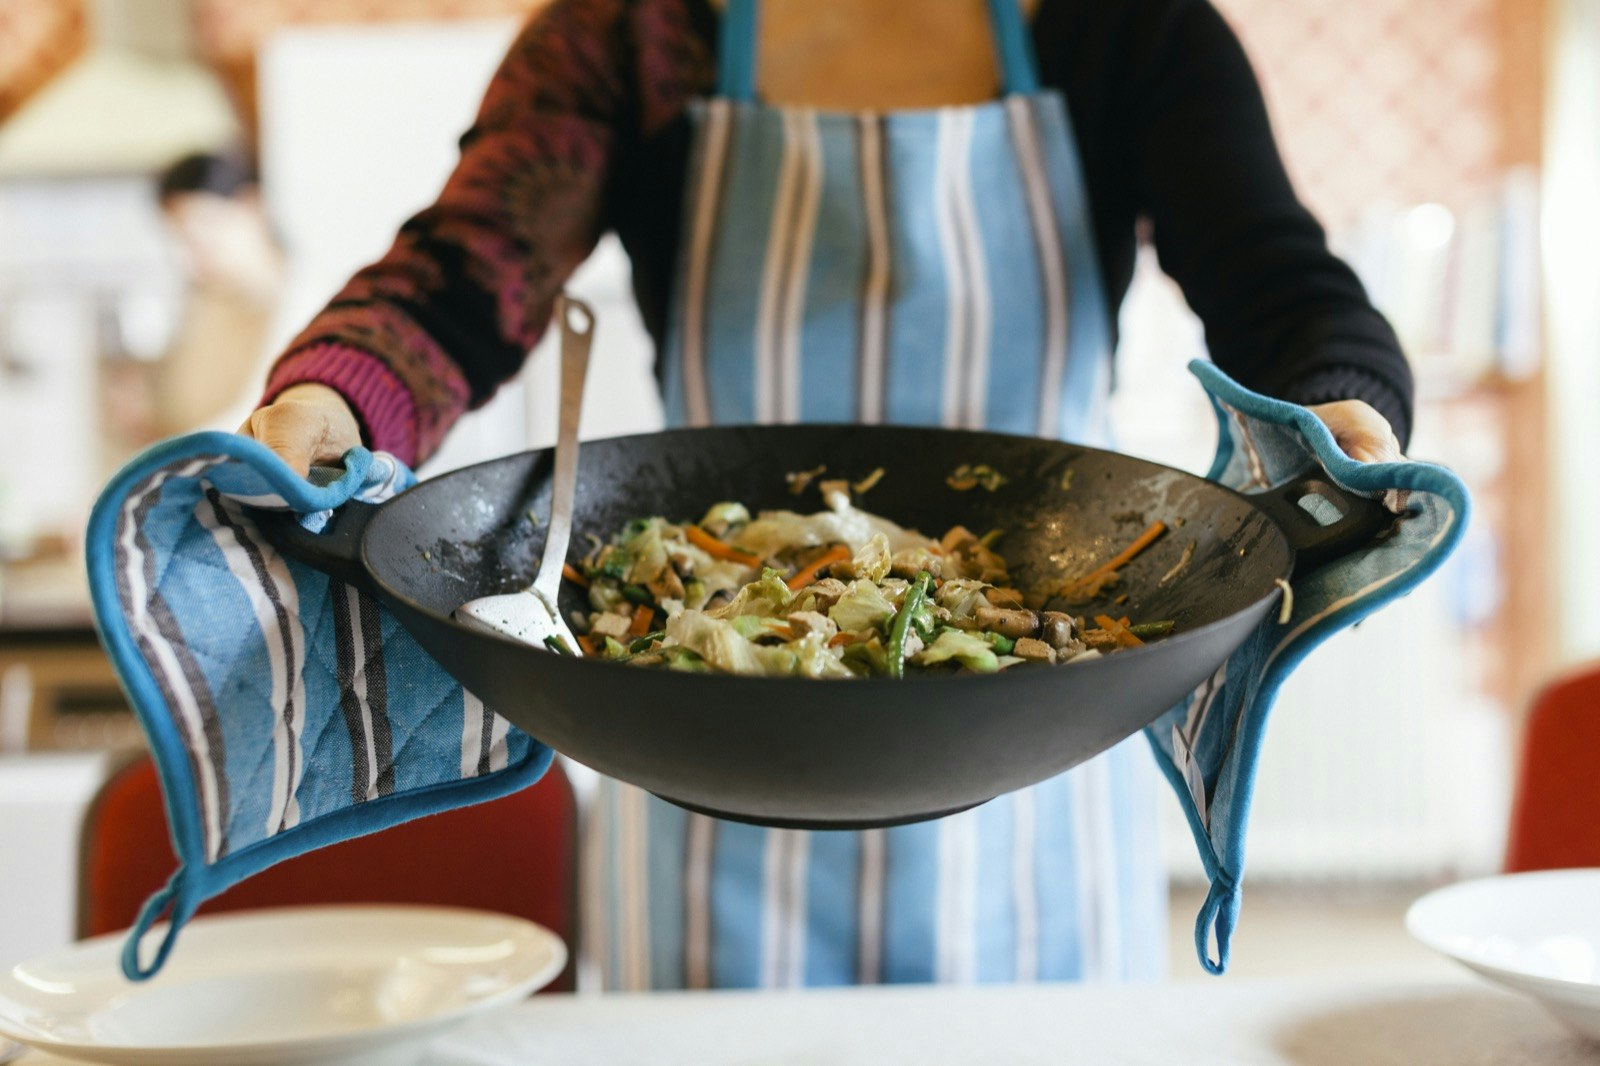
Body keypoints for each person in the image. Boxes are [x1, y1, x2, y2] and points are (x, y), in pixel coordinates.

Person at [239, 0, 1410, 989]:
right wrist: (331, 406)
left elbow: (1281, 287)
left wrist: (1342, 411)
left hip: (1031, 746)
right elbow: (461, 275)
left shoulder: (1124, 26)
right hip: (696, 754)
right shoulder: (633, 31)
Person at [155, 151, 283, 438]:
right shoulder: (206, 302)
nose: (198, 254)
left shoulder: (313, 301)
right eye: (184, 239)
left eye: (207, 227)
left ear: (251, 205)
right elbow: (182, 406)